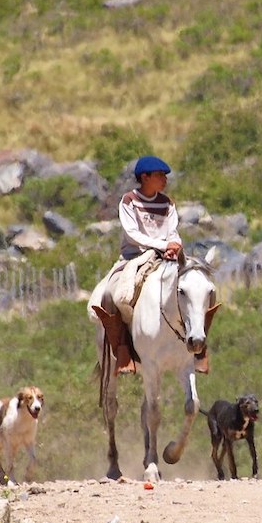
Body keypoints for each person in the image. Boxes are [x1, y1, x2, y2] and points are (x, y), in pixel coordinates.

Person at [90, 155, 185, 375]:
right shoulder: (129, 201)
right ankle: (123, 349)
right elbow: (133, 235)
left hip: (165, 259)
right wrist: (162, 244)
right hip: (133, 258)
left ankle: (198, 349)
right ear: (145, 177)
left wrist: (174, 245)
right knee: (114, 296)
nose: (164, 180)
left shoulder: (167, 203)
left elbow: (174, 232)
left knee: (197, 288)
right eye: (160, 175)